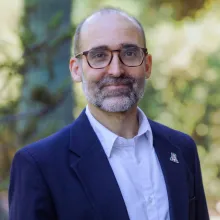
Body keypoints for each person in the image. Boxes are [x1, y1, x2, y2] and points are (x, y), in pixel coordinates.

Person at [9, 7, 209, 220]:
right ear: (76, 69)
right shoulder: (39, 165)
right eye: (98, 55)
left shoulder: (181, 149)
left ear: (147, 65)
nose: (116, 70)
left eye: (129, 53)